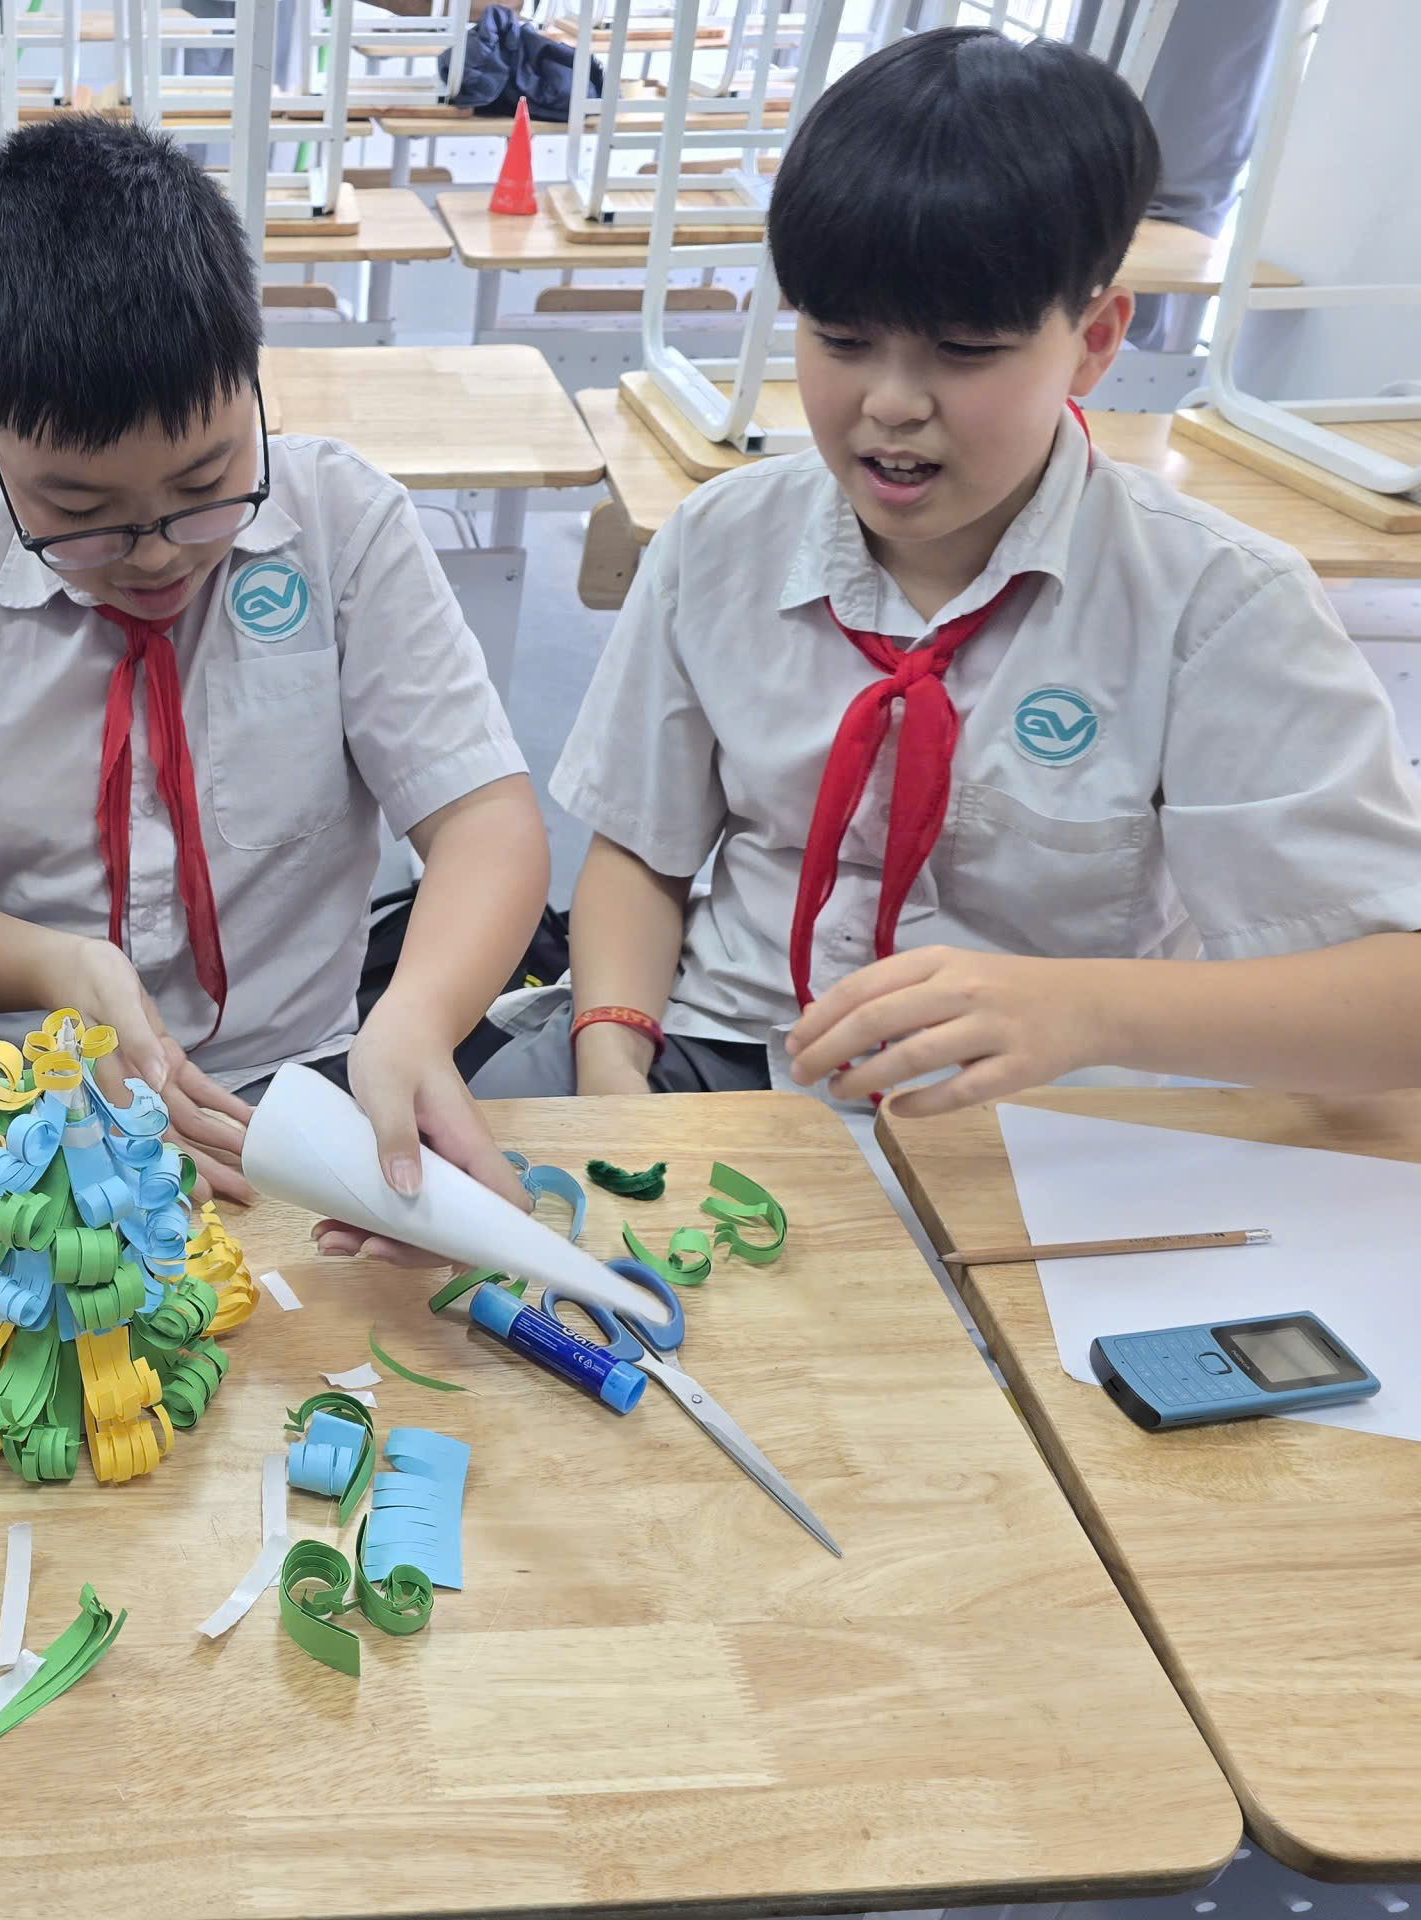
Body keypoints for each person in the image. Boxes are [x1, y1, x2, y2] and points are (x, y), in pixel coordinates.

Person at [474, 27, 1421, 1118]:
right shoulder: (721, 543)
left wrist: (1089, 1012)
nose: (890, 403)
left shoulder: (1210, 605)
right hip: (722, 1047)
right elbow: (642, 857)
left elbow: (1395, 998)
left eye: (963, 352)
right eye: (838, 339)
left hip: (1046, 1105)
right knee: (441, 1216)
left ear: (1097, 337)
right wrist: (612, 1067)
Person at [0, 115, 549, 1236]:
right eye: (77, 513)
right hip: (10, 1071)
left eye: (209, 480)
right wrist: (57, 967)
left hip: (288, 1075)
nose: (158, 550)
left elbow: (485, 820)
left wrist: (411, 1024)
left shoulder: (342, 528)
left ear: (250, 372)